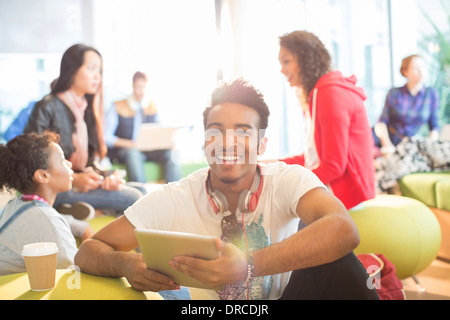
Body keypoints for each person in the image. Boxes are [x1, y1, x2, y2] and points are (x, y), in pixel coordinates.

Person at [75, 79, 378, 300]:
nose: (227, 142)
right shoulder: (172, 198)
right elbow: (88, 252)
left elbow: (343, 230)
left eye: (243, 132)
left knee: (338, 260)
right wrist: (125, 263)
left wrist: (247, 266)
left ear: (262, 145)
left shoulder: (288, 179)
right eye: (216, 131)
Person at [24, 44, 142, 217]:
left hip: (77, 184)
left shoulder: (85, 108)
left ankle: (76, 211)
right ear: (71, 70)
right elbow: (32, 162)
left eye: (99, 70)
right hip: (56, 189)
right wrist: (76, 180)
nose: (97, 76)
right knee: (135, 197)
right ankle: (78, 211)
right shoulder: (47, 106)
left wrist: (105, 177)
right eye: (91, 68)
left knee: (143, 190)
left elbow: (88, 162)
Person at [277, 30, 375, 210]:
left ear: (305, 60)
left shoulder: (329, 94)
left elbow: (333, 167)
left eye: (286, 61)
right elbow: (312, 159)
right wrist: (270, 166)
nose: (282, 70)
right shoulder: (320, 93)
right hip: (338, 192)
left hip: (348, 199)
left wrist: (288, 187)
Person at [0, 132, 87, 275]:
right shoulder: (46, 219)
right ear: (43, 175)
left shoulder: (17, 204)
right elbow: (75, 274)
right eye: (62, 160)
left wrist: (84, 229)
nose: (69, 164)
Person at [104, 71, 181, 183]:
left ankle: (174, 189)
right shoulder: (117, 106)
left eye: (144, 88)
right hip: (127, 149)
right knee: (132, 153)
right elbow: (106, 137)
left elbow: (159, 130)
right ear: (133, 86)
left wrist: (168, 142)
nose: (142, 92)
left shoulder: (152, 106)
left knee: (172, 153)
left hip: (148, 149)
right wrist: (129, 144)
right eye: (139, 87)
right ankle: (141, 192)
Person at [375, 54, 440, 151]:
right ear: (405, 72)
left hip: (412, 146)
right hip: (389, 143)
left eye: (423, 67)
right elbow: (381, 124)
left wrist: (428, 149)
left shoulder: (431, 94)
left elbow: (434, 127)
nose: (421, 71)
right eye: (415, 68)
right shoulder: (394, 93)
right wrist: (388, 146)